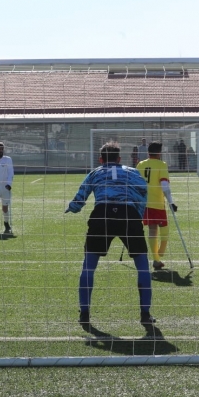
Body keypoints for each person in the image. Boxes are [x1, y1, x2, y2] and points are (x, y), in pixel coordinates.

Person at [65, 141, 153, 332]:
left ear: (100, 159)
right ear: (119, 159)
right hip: (128, 214)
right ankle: (145, 313)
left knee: (89, 266)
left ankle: (85, 313)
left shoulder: (95, 173)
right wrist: (137, 212)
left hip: (102, 213)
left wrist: (71, 208)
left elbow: (80, 197)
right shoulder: (131, 172)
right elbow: (144, 190)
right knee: (142, 266)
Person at [136, 141, 177, 271]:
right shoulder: (161, 165)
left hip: (144, 203)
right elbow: (164, 185)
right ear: (159, 153)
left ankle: (157, 258)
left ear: (148, 152)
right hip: (157, 203)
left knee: (152, 230)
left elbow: (135, 183)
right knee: (164, 229)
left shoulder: (140, 164)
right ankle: (158, 257)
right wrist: (171, 202)